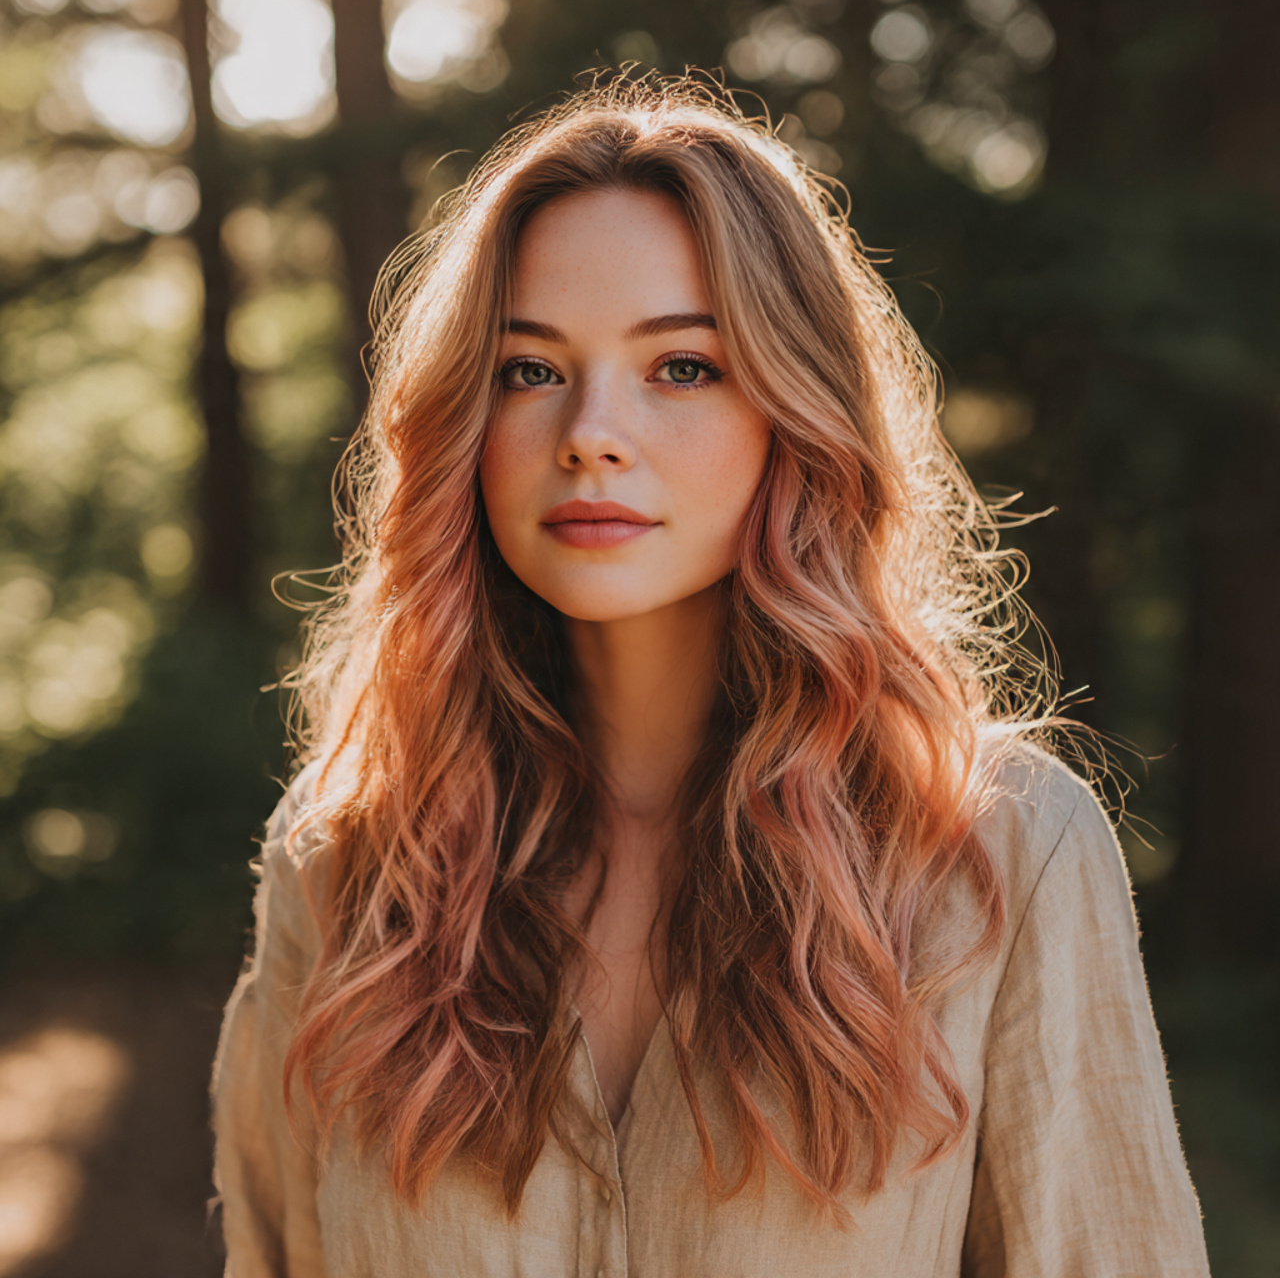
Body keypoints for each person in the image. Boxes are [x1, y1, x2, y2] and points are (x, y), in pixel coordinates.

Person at [212, 77, 1210, 1277]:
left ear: (795, 408)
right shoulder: (345, 870)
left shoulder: (996, 852)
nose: (590, 429)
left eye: (679, 366)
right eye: (528, 370)